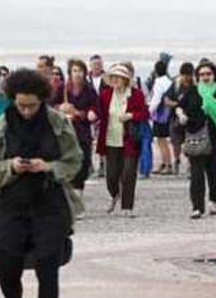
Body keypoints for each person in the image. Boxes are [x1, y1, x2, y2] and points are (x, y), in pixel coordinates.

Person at [0, 68, 83, 298]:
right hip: (10, 204)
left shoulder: (58, 124)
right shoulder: (0, 125)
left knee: (47, 267)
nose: (26, 111)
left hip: (49, 203)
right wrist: (11, 167)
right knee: (6, 264)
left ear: (42, 100)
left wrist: (48, 167)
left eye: (32, 105)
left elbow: (74, 161)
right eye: (21, 104)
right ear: (12, 99)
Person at [178, 61, 216, 218]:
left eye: (208, 74)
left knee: (214, 172)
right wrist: (181, 115)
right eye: (202, 74)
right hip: (195, 136)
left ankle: (214, 200)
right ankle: (197, 207)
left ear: (214, 75)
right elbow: (179, 106)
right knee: (196, 174)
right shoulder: (193, 91)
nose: (205, 77)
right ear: (197, 76)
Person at [91, 64, 148, 216]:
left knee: (128, 173)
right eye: (112, 77)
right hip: (110, 139)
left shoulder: (136, 94)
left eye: (118, 77)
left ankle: (127, 207)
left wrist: (130, 116)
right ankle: (115, 194)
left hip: (130, 140)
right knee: (111, 176)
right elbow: (98, 111)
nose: (115, 80)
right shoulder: (105, 95)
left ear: (125, 79)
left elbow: (145, 114)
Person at [57, 59, 98, 201]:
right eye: (75, 71)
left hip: (83, 134)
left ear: (85, 73)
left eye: (80, 71)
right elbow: (48, 106)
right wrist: (60, 108)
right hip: (65, 133)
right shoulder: (62, 88)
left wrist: (84, 113)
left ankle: (77, 199)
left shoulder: (89, 90)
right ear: (70, 73)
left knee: (82, 165)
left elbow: (96, 109)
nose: (78, 74)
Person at [163, 62, 196, 175]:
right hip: (175, 119)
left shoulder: (195, 86)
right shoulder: (175, 84)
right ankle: (176, 160)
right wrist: (179, 105)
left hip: (191, 119)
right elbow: (166, 101)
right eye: (185, 75)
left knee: (190, 143)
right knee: (176, 143)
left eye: (189, 75)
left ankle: (190, 166)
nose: (187, 78)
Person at [148, 60, 174, 174]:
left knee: (161, 141)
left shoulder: (158, 82)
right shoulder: (169, 81)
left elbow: (156, 100)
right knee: (163, 141)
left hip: (161, 115)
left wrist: (149, 112)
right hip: (169, 113)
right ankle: (165, 163)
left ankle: (167, 164)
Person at [88, 55, 109, 177]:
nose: (97, 66)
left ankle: (102, 164)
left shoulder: (107, 79)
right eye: (95, 64)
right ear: (90, 66)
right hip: (90, 113)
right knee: (89, 140)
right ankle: (89, 164)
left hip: (104, 114)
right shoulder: (86, 79)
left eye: (99, 64)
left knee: (103, 141)